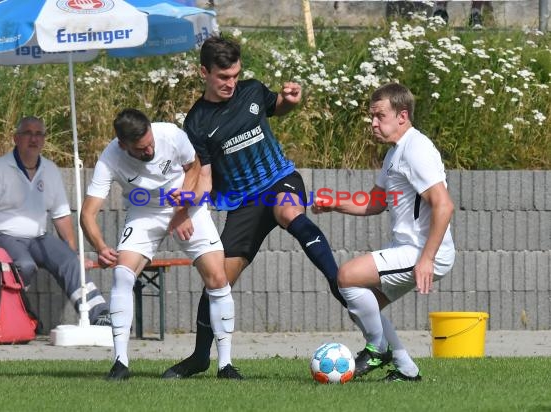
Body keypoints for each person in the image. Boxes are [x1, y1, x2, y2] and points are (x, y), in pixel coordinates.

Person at [163, 35, 348, 379]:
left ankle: (337, 280)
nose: (231, 83)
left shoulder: (251, 90)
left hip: (280, 180)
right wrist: (185, 208)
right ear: (204, 72)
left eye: (235, 75)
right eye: (223, 77)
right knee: (218, 281)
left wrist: (292, 99)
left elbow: (279, 106)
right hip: (244, 202)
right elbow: (202, 175)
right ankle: (201, 356)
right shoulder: (197, 123)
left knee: (289, 212)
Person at [80, 108, 239, 381]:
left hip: (186, 208)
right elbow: (87, 214)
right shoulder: (110, 158)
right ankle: (120, 363)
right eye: (142, 149)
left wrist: (183, 208)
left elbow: (195, 166)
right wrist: (99, 245)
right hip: (145, 213)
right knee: (122, 273)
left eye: (151, 142)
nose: (150, 149)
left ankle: (225, 365)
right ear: (123, 145)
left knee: (218, 277)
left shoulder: (171, 134)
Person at [312, 83, 455, 382]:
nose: (373, 123)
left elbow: (444, 206)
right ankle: (406, 370)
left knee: (347, 276)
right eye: (371, 117)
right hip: (407, 249)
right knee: (364, 307)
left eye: (380, 116)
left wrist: (426, 259)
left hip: (424, 251)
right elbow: (375, 202)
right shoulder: (395, 154)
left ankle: (377, 349)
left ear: (402, 116)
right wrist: (335, 203)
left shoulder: (416, 150)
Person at [0, 116, 111, 327]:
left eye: (38, 134)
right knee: (25, 265)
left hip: (38, 237)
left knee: (70, 262)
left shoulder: (50, 170)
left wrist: (73, 253)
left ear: (44, 140)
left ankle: (100, 315)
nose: (33, 139)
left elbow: (61, 216)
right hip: (2, 236)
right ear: (16, 138)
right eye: (28, 133)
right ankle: (15, 314)